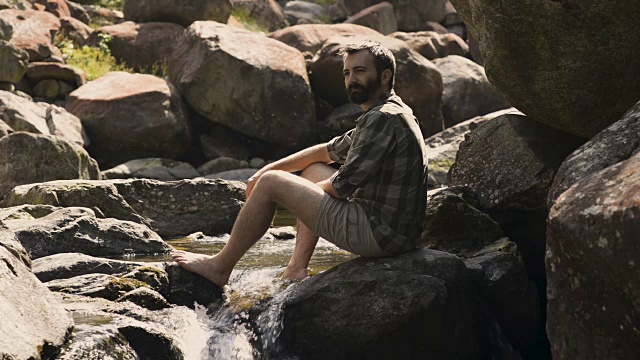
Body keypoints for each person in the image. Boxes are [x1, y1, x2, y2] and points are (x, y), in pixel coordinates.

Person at [171, 41, 428, 287]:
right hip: (397, 232)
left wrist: (280, 190)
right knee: (310, 172)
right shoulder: (391, 112)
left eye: (360, 71)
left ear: (385, 76)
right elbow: (325, 152)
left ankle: (219, 268)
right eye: (347, 73)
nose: (352, 79)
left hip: (381, 236)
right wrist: (265, 171)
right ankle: (296, 268)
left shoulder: (382, 119)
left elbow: (340, 188)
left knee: (275, 185)